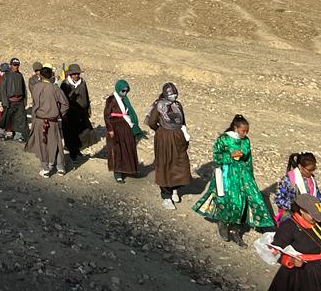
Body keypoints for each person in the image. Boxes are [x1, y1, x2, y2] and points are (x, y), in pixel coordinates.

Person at [193, 114, 274, 245]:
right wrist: (230, 156)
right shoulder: (224, 139)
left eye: (247, 131)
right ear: (236, 128)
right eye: (243, 131)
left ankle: (236, 229)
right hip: (226, 173)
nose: (245, 133)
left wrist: (250, 175)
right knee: (228, 199)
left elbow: (248, 159)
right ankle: (224, 223)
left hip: (243, 174)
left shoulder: (246, 141)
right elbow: (217, 156)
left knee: (246, 199)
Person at [267, 193, 321, 290]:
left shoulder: (316, 223)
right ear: (301, 211)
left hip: (319, 269)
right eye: (312, 215)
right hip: (298, 274)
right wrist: (291, 261)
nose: (316, 219)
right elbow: (274, 250)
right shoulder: (289, 226)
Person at [145, 82, 192, 210]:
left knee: (179, 162)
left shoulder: (178, 105)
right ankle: (166, 196)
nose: (173, 95)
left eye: (175, 93)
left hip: (178, 136)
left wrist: (184, 134)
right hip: (164, 138)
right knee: (166, 164)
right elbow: (151, 122)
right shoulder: (159, 105)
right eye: (171, 93)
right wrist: (161, 131)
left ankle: (175, 188)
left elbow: (183, 121)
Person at [273, 152, 321, 224]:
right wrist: (293, 206)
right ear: (300, 167)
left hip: (308, 217)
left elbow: (317, 197)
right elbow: (278, 199)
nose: (312, 172)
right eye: (310, 170)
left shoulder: (311, 179)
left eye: (314, 169)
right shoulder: (288, 180)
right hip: (291, 216)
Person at [26, 66, 69, 177]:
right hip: (53, 121)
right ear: (51, 76)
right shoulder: (55, 88)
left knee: (42, 144)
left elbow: (35, 103)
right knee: (57, 144)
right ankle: (60, 168)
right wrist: (59, 114)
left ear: (41, 75)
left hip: (39, 120)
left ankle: (45, 169)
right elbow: (65, 104)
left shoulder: (36, 87)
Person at [104, 79, 142, 183]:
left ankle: (127, 169)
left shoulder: (125, 99)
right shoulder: (111, 100)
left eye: (126, 91)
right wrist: (110, 129)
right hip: (115, 127)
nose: (124, 93)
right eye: (123, 91)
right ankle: (117, 172)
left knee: (128, 148)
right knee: (117, 150)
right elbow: (107, 115)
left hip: (125, 127)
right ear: (118, 89)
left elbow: (129, 112)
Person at [60, 63, 91, 163]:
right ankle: (73, 156)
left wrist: (88, 110)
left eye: (77, 73)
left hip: (81, 113)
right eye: (74, 74)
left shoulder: (82, 83)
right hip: (69, 113)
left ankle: (77, 150)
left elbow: (86, 96)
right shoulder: (64, 84)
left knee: (81, 133)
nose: (76, 75)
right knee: (70, 134)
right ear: (70, 74)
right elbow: (61, 99)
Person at [0, 57, 29, 142]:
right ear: (11, 65)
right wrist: (5, 102)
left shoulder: (20, 75)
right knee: (5, 118)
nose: (16, 67)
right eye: (14, 65)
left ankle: (18, 135)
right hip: (9, 101)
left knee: (20, 119)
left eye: (17, 65)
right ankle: (1, 133)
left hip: (19, 101)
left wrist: (24, 101)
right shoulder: (6, 76)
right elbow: (3, 90)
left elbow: (24, 89)